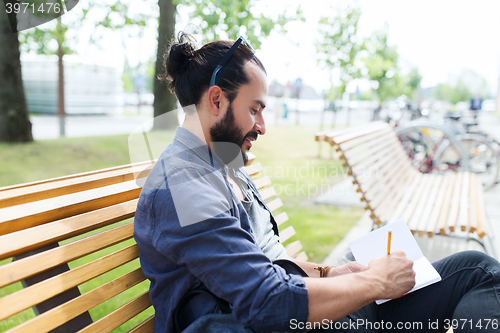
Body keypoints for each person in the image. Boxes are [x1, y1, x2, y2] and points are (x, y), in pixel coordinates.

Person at [134, 32, 500, 333]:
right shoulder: (181, 187)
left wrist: (331, 273)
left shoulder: (224, 160)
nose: (262, 126)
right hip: (278, 320)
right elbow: (267, 302)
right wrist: (376, 283)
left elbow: (265, 260)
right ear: (216, 100)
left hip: (312, 311)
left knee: (476, 270)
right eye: (255, 109)